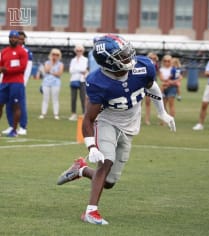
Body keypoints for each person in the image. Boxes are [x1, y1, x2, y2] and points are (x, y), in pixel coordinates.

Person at [56, 34, 176, 225]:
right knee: (106, 161)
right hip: (107, 122)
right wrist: (92, 147)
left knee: (109, 182)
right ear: (108, 62)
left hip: (129, 126)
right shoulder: (97, 81)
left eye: (127, 52)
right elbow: (88, 119)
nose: (129, 57)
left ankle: (82, 170)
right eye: (122, 55)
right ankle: (90, 212)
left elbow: (151, 87)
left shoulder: (143, 66)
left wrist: (162, 112)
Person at [2, 31, 32, 136]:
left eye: (17, 38)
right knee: (4, 104)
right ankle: (11, 126)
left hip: (17, 82)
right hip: (5, 82)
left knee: (17, 105)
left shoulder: (24, 51)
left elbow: (24, 68)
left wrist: (7, 70)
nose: (15, 39)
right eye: (12, 37)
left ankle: (19, 128)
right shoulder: (5, 51)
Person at [39, 48, 64, 120]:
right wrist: (51, 62)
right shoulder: (47, 62)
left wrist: (51, 72)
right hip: (46, 83)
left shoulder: (60, 64)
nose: (55, 56)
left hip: (56, 83)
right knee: (45, 98)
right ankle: (43, 113)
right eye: (53, 54)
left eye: (57, 55)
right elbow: (46, 70)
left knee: (55, 99)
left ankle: (56, 114)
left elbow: (59, 73)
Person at [68, 44, 88, 121]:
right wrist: (80, 70)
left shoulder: (85, 60)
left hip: (82, 80)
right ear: (75, 51)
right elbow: (71, 70)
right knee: (73, 98)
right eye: (77, 50)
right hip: (73, 80)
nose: (78, 52)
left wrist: (78, 69)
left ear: (82, 51)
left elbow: (85, 69)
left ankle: (84, 113)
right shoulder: (73, 60)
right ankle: (73, 114)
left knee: (83, 98)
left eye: (80, 50)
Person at [145, 52, 159, 125]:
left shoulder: (155, 66)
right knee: (140, 102)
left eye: (154, 59)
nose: (152, 60)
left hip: (151, 85)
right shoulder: (145, 64)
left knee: (149, 102)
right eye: (151, 58)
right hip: (143, 84)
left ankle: (147, 119)